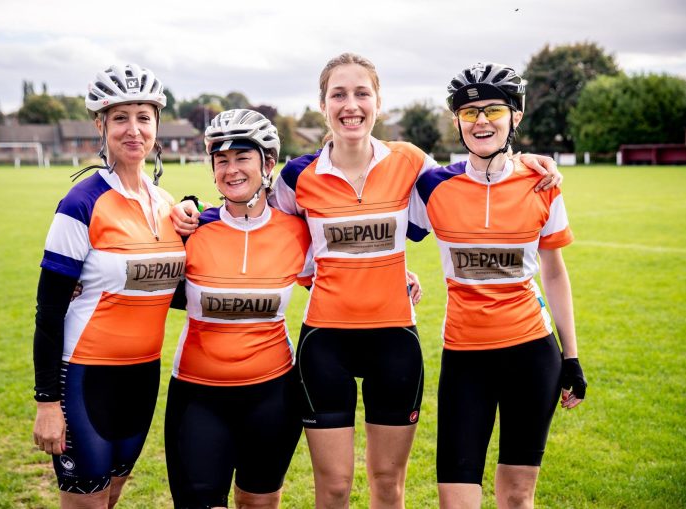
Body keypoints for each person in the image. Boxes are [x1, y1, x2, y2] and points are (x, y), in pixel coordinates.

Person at [171, 53, 561, 509]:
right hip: (325, 344)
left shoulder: (411, 162)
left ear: (378, 101)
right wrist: (192, 208)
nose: (350, 104)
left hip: (394, 341)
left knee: (387, 484)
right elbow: (257, 221)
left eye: (362, 93)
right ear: (323, 105)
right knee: (334, 488)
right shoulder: (298, 175)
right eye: (339, 94)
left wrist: (524, 158)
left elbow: (475, 174)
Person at [409, 62, 587, 509]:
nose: (482, 121)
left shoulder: (542, 182)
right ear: (457, 122)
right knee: (455, 498)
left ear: (516, 117)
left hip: (532, 353)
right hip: (465, 356)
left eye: (493, 110)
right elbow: (375, 230)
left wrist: (572, 356)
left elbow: (554, 271)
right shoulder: (433, 184)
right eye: (469, 113)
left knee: (516, 495)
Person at [32, 63, 185, 509]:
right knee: (86, 503)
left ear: (156, 124)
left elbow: (169, 290)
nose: (133, 129)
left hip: (141, 376)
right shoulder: (80, 203)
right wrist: (46, 402)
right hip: (83, 376)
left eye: (143, 116)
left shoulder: (166, 203)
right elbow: (49, 310)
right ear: (100, 125)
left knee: (112, 496)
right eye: (120, 118)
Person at [164, 109, 313, 509]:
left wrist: (400, 275)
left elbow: (342, 272)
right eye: (221, 160)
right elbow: (136, 273)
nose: (231, 170)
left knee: (258, 503)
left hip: (273, 397)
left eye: (242, 157)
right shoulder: (191, 229)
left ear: (267, 163)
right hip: (198, 396)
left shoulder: (297, 232)